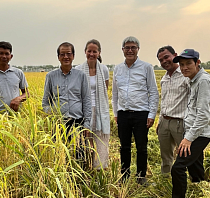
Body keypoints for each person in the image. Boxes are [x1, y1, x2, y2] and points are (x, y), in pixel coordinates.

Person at [170, 49, 210, 198]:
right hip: (194, 131)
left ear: (197, 63)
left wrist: (188, 139)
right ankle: (200, 192)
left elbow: (204, 114)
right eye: (181, 64)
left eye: (188, 64)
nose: (184, 68)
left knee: (178, 168)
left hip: (200, 133)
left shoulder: (203, 81)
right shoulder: (194, 80)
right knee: (195, 165)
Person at [112, 36, 159, 185]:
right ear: (123, 50)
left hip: (141, 114)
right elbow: (115, 94)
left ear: (138, 49)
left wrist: (151, 114)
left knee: (141, 147)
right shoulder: (118, 69)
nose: (130, 50)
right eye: (127, 47)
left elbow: (153, 92)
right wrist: (116, 113)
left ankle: (141, 177)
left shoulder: (146, 67)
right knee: (124, 147)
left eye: (133, 47)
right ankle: (124, 176)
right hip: (123, 114)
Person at [42, 42, 92, 164]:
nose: (66, 57)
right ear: (58, 57)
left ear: (73, 56)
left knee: (79, 156)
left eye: (68, 54)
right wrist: (54, 115)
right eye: (62, 54)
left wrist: (87, 124)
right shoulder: (51, 76)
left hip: (77, 122)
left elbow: (86, 101)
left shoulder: (81, 76)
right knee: (59, 157)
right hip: (59, 125)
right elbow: (45, 103)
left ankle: (78, 182)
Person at [75, 39, 110, 170]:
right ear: (85, 52)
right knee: (85, 139)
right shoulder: (78, 69)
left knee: (100, 140)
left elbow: (105, 91)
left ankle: (99, 167)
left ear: (99, 53)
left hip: (100, 110)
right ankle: (86, 167)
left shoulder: (104, 70)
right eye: (89, 51)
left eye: (94, 51)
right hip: (83, 111)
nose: (91, 54)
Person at [156, 46, 190, 176]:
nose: (164, 61)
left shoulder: (185, 75)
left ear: (174, 55)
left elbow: (193, 100)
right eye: (161, 60)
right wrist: (160, 122)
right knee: (165, 154)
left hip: (180, 123)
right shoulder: (164, 79)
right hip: (165, 122)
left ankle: (190, 181)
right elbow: (163, 102)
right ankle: (166, 178)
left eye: (166, 57)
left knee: (185, 154)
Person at [0, 41, 29, 115]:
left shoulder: (18, 73)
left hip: (17, 115)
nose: (4, 56)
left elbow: (26, 93)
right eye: (1, 53)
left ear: (11, 56)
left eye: (7, 54)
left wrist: (18, 99)